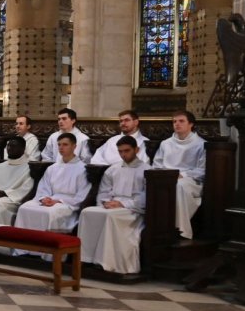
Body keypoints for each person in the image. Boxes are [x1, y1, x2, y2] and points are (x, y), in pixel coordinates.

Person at [79, 136, 149, 279]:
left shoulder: (147, 170)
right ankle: (86, 259)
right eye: (120, 151)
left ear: (137, 150)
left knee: (110, 216)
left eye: (127, 151)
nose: (123, 154)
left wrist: (123, 204)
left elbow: (146, 196)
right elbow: (103, 191)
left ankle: (107, 262)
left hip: (132, 210)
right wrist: (105, 203)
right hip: (112, 206)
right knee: (87, 212)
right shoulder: (113, 169)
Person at [15, 133, 91, 237]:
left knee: (49, 213)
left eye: (65, 144)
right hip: (50, 200)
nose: (61, 147)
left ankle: (46, 250)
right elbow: (43, 188)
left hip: (68, 205)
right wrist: (44, 198)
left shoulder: (83, 169)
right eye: (59, 144)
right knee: (24, 208)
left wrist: (58, 201)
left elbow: (82, 195)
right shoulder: (52, 168)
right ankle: (24, 247)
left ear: (74, 146)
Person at [152, 110, 206, 239]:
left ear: (191, 124)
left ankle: (180, 230)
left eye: (181, 121)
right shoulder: (166, 144)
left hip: (191, 181)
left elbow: (202, 170)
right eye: (174, 121)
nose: (177, 124)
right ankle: (157, 227)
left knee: (178, 186)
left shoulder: (201, 144)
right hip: (166, 177)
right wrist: (166, 174)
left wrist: (181, 174)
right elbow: (157, 165)